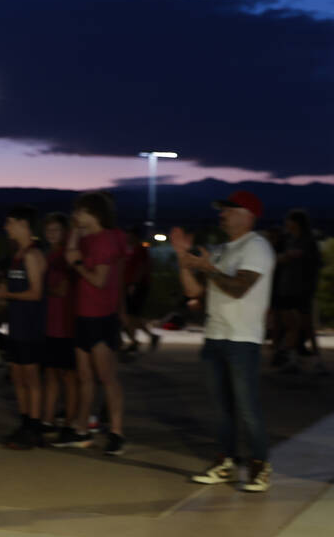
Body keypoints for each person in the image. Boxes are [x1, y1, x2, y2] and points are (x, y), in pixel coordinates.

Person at [174, 191, 275, 491]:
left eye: (230, 209)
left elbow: (239, 288)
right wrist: (183, 260)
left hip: (242, 338)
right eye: (222, 209)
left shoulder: (256, 246)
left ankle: (260, 466)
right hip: (215, 335)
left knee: (246, 407)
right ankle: (226, 463)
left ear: (248, 215)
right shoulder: (220, 250)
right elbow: (195, 292)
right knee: (222, 408)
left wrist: (209, 269)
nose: (223, 214)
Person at [53, 192, 127, 455]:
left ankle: (117, 432)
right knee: (85, 377)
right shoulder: (86, 238)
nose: (76, 216)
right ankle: (81, 428)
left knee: (107, 377)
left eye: (80, 212)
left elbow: (99, 280)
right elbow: (69, 256)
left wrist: (79, 264)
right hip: (83, 315)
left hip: (100, 317)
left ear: (94, 214)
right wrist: (74, 234)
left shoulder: (105, 241)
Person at [0, 205, 46, 449]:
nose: (6, 227)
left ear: (23, 224)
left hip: (31, 325)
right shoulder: (18, 254)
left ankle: (34, 426)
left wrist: (5, 293)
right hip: (18, 324)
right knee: (19, 376)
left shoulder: (32, 255)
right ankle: (25, 424)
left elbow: (36, 293)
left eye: (10, 222)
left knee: (30, 377)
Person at [41, 213, 79, 439]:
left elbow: (63, 289)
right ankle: (48, 419)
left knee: (68, 376)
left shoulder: (66, 257)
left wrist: (38, 289)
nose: (51, 234)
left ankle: (70, 422)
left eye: (56, 230)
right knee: (51, 373)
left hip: (66, 323)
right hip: (50, 324)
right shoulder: (49, 255)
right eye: (48, 229)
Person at [276, 210, 323, 374]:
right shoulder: (288, 239)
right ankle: (293, 358)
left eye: (289, 220)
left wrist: (298, 256)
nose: (287, 223)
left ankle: (317, 360)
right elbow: (280, 258)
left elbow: (316, 262)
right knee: (291, 324)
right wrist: (283, 257)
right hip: (287, 286)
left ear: (296, 222)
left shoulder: (308, 241)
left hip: (302, 288)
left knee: (306, 325)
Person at [121, 227, 160, 354]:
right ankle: (138, 339)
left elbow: (141, 268)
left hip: (138, 286)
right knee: (130, 315)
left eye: (130, 236)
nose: (128, 238)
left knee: (131, 315)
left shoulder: (140, 250)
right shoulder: (130, 250)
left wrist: (134, 284)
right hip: (130, 285)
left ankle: (135, 340)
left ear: (136, 237)